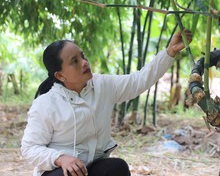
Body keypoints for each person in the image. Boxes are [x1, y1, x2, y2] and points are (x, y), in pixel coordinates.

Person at [21, 29, 192, 176]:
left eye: (82, 56)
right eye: (75, 61)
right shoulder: (45, 104)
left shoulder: (103, 85)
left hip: (92, 167)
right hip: (59, 171)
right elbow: (29, 148)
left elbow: (139, 80)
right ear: (60, 75)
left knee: (118, 168)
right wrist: (59, 158)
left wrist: (169, 52)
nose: (84, 63)